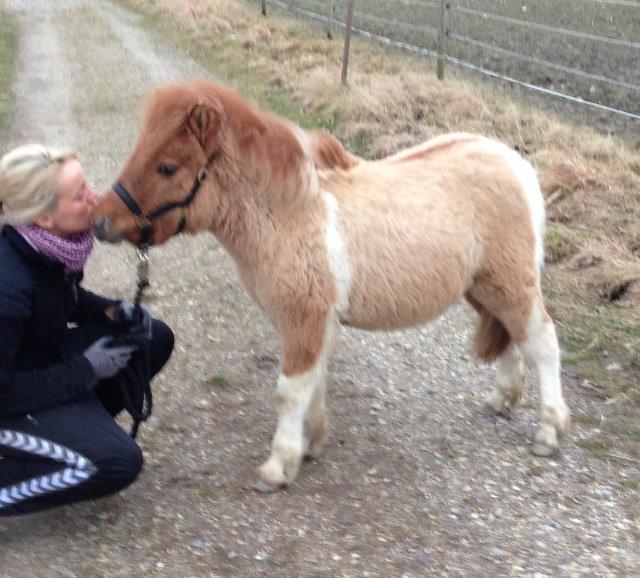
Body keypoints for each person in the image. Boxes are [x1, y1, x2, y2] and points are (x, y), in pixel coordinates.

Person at [0, 144, 174, 516]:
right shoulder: (7, 287)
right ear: (44, 218)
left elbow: (64, 296)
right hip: (9, 398)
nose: (94, 196)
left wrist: (111, 311)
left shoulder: (47, 246)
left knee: (152, 338)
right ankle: (66, 447)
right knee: (117, 463)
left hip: (39, 364)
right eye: (80, 194)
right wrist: (86, 370)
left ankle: (74, 431)